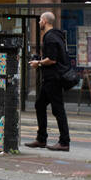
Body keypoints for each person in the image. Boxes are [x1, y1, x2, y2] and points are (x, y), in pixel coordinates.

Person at [25, 12, 71, 152]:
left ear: (45, 21)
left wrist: (38, 63)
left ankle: (64, 142)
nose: (39, 22)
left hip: (53, 79)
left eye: (40, 20)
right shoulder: (56, 36)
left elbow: (52, 59)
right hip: (51, 78)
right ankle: (41, 139)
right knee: (40, 105)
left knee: (58, 110)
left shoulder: (50, 37)